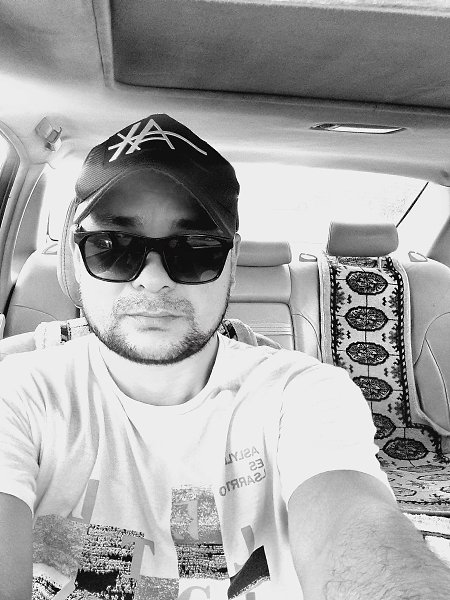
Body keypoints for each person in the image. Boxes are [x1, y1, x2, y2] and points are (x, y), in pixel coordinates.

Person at [0, 114, 449, 600]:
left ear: (232, 261)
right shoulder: (16, 394)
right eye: (112, 246)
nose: (153, 279)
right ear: (75, 257)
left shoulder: (304, 394)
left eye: (195, 249)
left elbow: (357, 529)